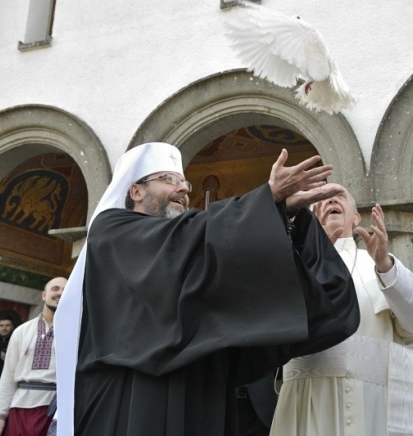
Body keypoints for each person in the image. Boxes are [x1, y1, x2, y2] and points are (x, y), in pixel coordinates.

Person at [54, 142, 360, 436]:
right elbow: (186, 241)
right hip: (134, 395)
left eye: (186, 183)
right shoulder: (110, 231)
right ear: (135, 190)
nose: (184, 189)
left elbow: (225, 260)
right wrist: (267, 198)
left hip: (200, 393)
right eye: (168, 179)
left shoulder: (191, 241)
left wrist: (281, 213)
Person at [270, 183, 413, 435]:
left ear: (356, 217)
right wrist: (308, 265)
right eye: (323, 199)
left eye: (338, 196)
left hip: (372, 401)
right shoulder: (291, 263)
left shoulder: (378, 264)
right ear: (314, 216)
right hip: (307, 395)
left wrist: (384, 263)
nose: (331, 201)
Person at [0, 276, 66, 436]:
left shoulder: (77, 332)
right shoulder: (21, 332)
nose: (60, 293)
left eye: (65, 290)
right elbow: (8, 375)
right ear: (44, 295)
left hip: (57, 410)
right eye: (55, 289)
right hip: (20, 408)